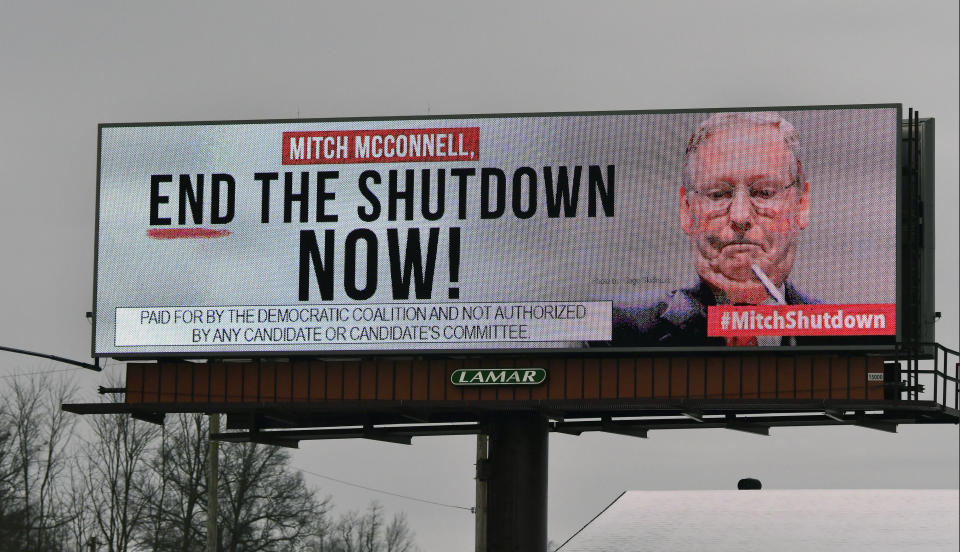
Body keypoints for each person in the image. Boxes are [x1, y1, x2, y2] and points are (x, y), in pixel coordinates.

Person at [612, 111, 815, 347]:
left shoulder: (853, 331)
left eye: (764, 192)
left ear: (802, 205)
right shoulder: (618, 334)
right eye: (718, 194)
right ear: (687, 210)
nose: (740, 216)